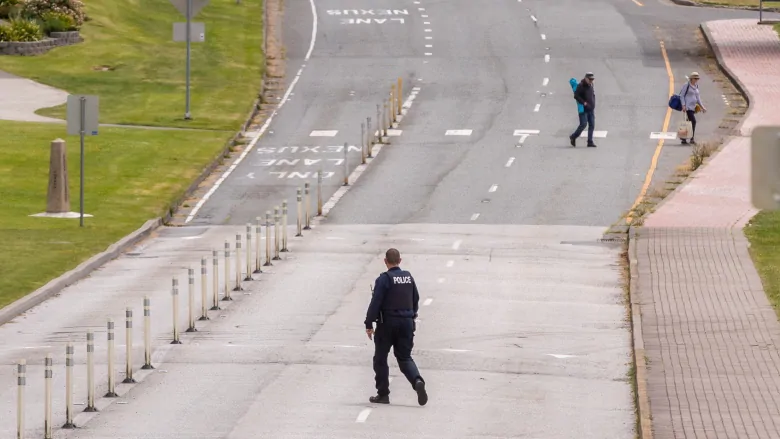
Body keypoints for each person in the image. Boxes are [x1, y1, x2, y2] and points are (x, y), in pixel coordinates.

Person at [364, 248, 427, 406]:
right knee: (405, 358)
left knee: (380, 358)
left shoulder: (384, 279)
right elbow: (415, 299)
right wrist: (411, 315)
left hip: (387, 324)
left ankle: (383, 394)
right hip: (406, 323)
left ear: (385, 261)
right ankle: (417, 380)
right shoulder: (408, 277)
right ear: (400, 260)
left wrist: (369, 323)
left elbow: (376, 302)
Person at [569, 72, 597, 148]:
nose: (591, 81)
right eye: (590, 79)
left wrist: (593, 102)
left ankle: (590, 142)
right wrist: (583, 102)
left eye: (592, 79)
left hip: (591, 109)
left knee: (592, 125)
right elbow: (576, 96)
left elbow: (592, 94)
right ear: (586, 78)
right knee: (583, 124)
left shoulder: (591, 85)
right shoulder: (580, 86)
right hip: (584, 110)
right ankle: (573, 136)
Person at [679, 72, 707, 145]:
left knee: (689, 122)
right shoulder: (687, 85)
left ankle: (684, 138)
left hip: (693, 107)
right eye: (695, 78)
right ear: (691, 79)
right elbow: (681, 95)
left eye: (697, 78)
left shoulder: (696, 86)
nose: (696, 80)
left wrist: (702, 107)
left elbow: (698, 98)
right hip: (687, 107)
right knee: (693, 121)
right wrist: (683, 105)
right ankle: (691, 138)